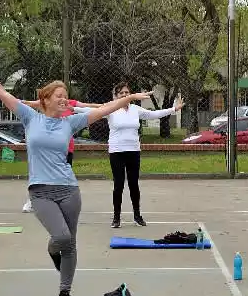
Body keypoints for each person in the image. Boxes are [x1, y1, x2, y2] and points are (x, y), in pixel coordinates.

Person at [0, 50, 154, 296]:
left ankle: (65, 293)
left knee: (71, 243)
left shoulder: (71, 123)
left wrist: (129, 98)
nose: (65, 100)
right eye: (59, 96)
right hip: (40, 192)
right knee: (61, 238)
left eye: (66, 96)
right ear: (46, 99)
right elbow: (0, 92)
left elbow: (106, 108)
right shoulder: (30, 117)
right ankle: (53, 252)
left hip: (69, 190)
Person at [74, 82, 183, 228]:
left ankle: (137, 216)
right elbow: (90, 111)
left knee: (134, 184)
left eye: (127, 93)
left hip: (133, 151)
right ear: (116, 96)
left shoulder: (135, 109)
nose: (125, 95)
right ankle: (116, 218)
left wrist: (174, 109)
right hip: (116, 151)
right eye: (121, 93)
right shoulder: (111, 109)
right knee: (118, 185)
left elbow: (153, 114)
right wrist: (71, 108)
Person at [20, 97, 101, 213]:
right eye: (58, 95)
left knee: (63, 177)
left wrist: (104, 106)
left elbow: (85, 106)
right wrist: (22, 102)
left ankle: (60, 201)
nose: (61, 97)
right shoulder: (49, 104)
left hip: (66, 148)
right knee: (40, 175)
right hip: (48, 148)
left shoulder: (71, 104)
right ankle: (32, 200)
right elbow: (31, 104)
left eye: (63, 94)